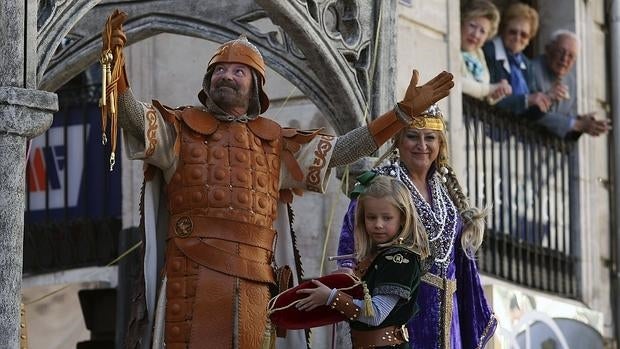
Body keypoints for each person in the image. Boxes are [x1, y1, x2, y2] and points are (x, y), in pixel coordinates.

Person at [100, 10, 455, 349]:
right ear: (207, 83)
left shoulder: (278, 143)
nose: (227, 75)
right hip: (189, 278)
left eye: (239, 71)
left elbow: (343, 151)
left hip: (254, 285)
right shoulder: (178, 130)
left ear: (255, 88)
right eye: (219, 70)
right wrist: (115, 70)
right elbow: (133, 118)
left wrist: (400, 114)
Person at [337, 104, 497, 348]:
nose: (422, 146)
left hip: (450, 315)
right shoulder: (383, 184)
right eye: (412, 136)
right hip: (403, 306)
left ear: (440, 144)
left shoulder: (448, 193)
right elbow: (352, 232)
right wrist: (347, 272)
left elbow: (461, 261)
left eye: (430, 138)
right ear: (398, 141)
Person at [296, 175, 430, 349]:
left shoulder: (399, 259)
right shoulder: (379, 254)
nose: (378, 224)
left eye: (387, 218)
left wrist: (331, 297)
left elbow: (375, 314)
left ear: (402, 218)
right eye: (371, 217)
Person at [530, 29, 610, 138]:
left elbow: (567, 122)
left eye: (571, 56)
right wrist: (577, 124)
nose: (564, 59)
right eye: (560, 52)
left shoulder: (571, 82)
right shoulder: (531, 70)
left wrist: (583, 122)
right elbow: (533, 115)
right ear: (548, 49)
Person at [483, 3, 551, 116]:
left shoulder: (527, 65)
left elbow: (533, 101)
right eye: (513, 32)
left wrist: (547, 98)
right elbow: (489, 99)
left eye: (524, 35)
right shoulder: (489, 51)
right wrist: (526, 100)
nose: (517, 38)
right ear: (503, 30)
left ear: (529, 40)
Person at [460, 0, 512, 104]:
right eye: (472, 26)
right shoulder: (450, 49)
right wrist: (489, 89)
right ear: (461, 23)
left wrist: (496, 94)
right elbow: (456, 83)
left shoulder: (478, 54)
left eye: (482, 31)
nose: (476, 34)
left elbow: (481, 93)